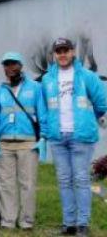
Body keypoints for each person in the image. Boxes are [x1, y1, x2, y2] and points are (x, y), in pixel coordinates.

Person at [41, 38, 107, 237]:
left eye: (66, 50)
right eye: (58, 51)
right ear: (54, 54)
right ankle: (68, 223)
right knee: (64, 180)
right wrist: (45, 133)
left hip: (81, 137)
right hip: (57, 137)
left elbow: (102, 104)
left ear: (72, 52)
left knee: (80, 179)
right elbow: (44, 107)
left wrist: (88, 121)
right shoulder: (47, 79)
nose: (62, 54)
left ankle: (83, 224)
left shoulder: (87, 76)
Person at [0, 52, 47, 230]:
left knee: (27, 184)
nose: (10, 68)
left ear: (21, 66)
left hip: (28, 143)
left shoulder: (35, 88)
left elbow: (43, 114)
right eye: (6, 64)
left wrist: (43, 137)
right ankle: (8, 220)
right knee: (6, 184)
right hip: (5, 144)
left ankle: (26, 221)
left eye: (14, 64)